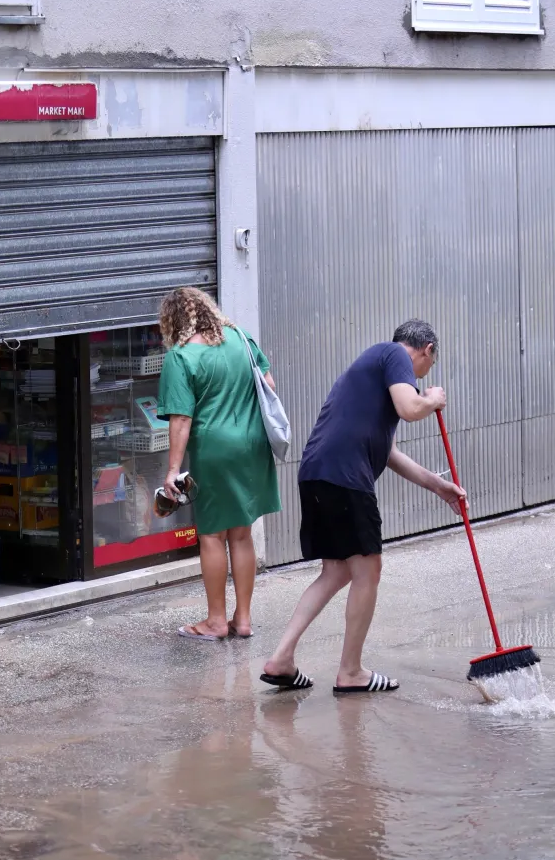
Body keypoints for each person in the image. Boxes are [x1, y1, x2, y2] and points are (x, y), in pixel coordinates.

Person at [261, 320, 466, 693]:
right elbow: (410, 407)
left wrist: (439, 487)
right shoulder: (394, 355)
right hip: (344, 476)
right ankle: (351, 672)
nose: (420, 376)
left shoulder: (373, 377)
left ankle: (281, 659)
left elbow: (387, 453)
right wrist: (432, 399)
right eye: (427, 367)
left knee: (337, 571)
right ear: (427, 350)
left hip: (317, 473)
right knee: (368, 568)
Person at [157, 287, 281, 640]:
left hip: (215, 449)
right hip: (253, 444)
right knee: (241, 532)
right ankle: (242, 621)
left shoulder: (182, 357)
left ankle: (215, 621)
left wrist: (172, 471)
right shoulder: (242, 339)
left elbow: (181, 419)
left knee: (211, 535)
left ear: (173, 321)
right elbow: (268, 385)